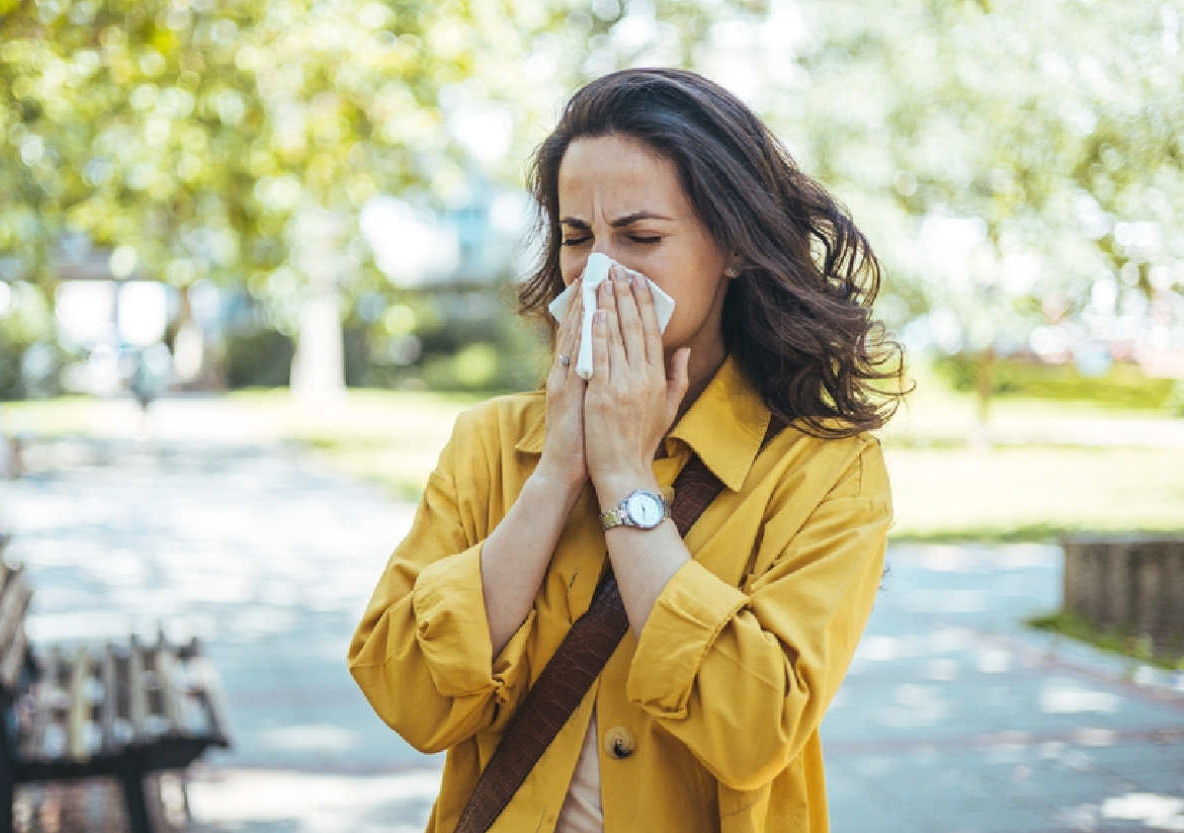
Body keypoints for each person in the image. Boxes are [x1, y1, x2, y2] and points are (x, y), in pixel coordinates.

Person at [349, 68, 906, 833]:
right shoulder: (489, 443)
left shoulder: (825, 470)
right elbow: (406, 692)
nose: (598, 270)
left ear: (734, 247)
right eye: (577, 238)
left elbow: (753, 728)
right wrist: (557, 474)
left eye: (641, 237)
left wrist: (623, 477)